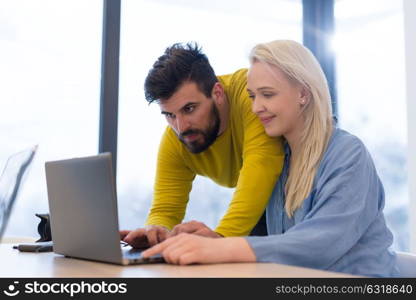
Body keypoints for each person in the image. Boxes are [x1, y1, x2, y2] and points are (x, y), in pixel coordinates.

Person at [141, 40, 398, 277]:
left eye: (268, 94)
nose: (255, 108)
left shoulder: (348, 154)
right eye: (252, 96)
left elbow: (320, 244)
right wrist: (196, 240)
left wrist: (221, 246)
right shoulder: (282, 167)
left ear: (303, 94)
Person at [121, 43, 284, 247]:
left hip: (301, 189)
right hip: (264, 206)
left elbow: (262, 165)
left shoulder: (251, 95)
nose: (181, 127)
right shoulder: (176, 139)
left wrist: (221, 238)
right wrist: (155, 231)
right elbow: (165, 209)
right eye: (169, 115)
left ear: (217, 93)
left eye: (189, 108)